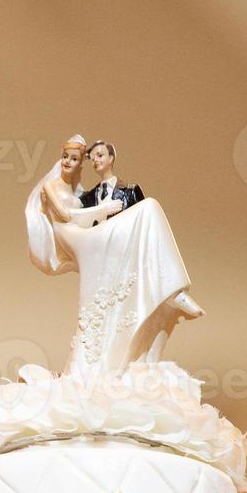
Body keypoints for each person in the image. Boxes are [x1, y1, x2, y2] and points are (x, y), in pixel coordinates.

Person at [24, 135, 205, 378]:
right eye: (65, 157)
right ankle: (172, 290)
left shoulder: (82, 191)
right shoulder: (53, 186)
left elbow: (86, 214)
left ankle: (171, 289)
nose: (67, 162)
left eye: (74, 159)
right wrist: (103, 209)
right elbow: (66, 216)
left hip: (88, 234)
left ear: (81, 164)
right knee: (149, 208)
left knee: (149, 208)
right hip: (76, 238)